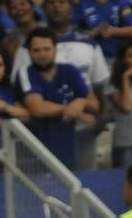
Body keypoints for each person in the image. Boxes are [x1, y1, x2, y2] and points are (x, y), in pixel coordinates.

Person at [16, 29, 94, 169]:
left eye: (47, 49)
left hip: (69, 147)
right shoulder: (25, 73)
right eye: (37, 50)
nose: (42, 54)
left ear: (55, 50)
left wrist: (80, 103)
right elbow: (37, 108)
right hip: (35, 150)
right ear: (29, 53)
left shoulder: (70, 71)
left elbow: (92, 102)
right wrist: (71, 109)